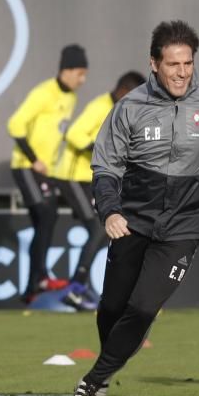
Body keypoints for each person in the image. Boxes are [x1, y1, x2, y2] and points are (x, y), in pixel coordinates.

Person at [67, 20, 199, 396]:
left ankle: (94, 381)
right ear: (154, 64)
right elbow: (106, 167)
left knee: (145, 307)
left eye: (188, 64)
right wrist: (110, 211)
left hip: (185, 223)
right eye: (173, 65)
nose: (182, 72)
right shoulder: (128, 108)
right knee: (112, 309)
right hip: (133, 219)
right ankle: (108, 365)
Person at [52, 70, 146, 311]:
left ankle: (81, 287)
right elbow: (73, 134)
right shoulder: (101, 105)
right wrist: (100, 149)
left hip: (91, 180)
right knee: (99, 226)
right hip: (72, 177)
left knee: (106, 231)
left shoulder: (122, 111)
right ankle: (75, 288)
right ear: (123, 91)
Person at [7, 45, 88, 303]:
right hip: (27, 166)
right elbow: (15, 124)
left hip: (47, 171)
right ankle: (37, 280)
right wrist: (33, 159)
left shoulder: (71, 98)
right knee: (47, 214)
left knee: (46, 220)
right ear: (66, 70)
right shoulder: (43, 93)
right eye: (79, 73)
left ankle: (35, 282)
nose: (82, 79)